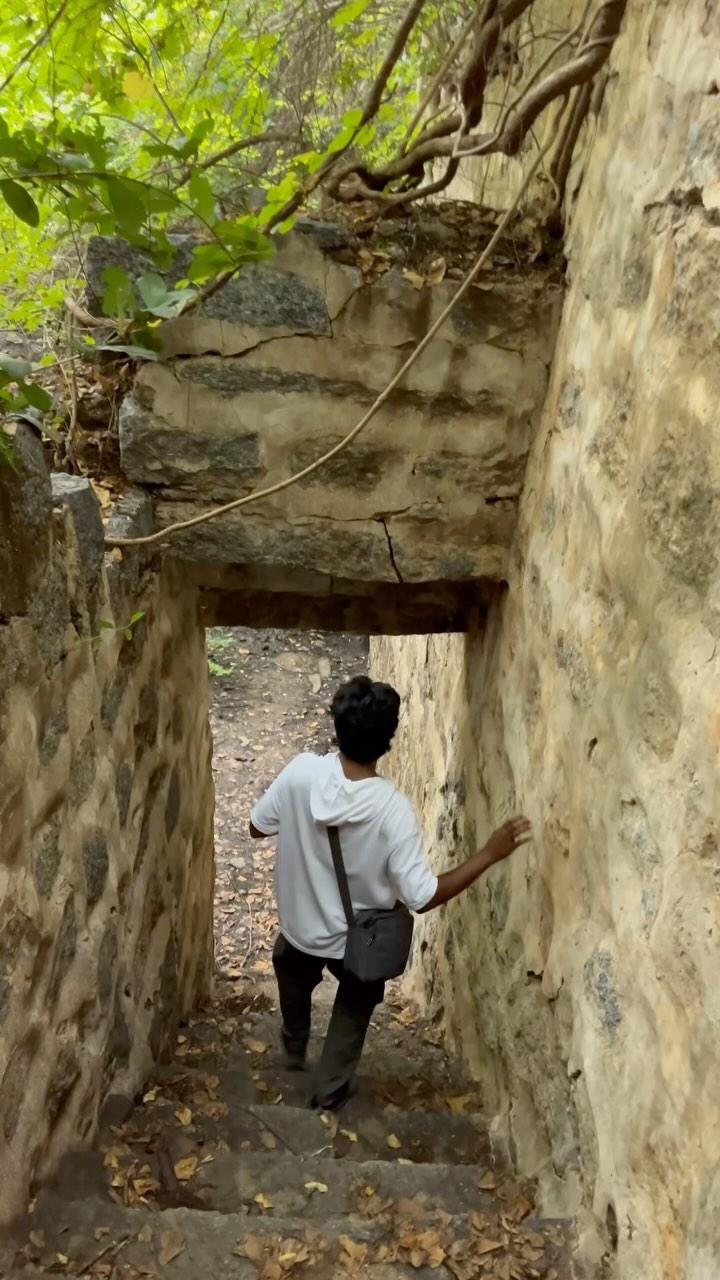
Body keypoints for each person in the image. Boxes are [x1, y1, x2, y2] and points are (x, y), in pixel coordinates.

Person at [249, 675, 531, 1111]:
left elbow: (256, 826)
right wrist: (489, 854)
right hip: (356, 941)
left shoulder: (301, 773)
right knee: (356, 1000)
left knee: (292, 971)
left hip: (300, 928)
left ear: (336, 726)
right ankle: (329, 1090)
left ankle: (293, 1048)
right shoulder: (391, 811)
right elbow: (421, 895)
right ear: (388, 741)